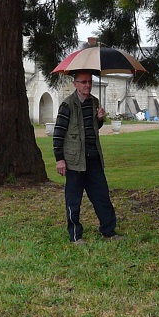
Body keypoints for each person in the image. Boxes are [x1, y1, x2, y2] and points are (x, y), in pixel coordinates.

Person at [53, 70, 121, 243]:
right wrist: (59, 159)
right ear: (75, 84)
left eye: (89, 81)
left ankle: (109, 231)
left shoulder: (94, 102)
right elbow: (58, 134)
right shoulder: (67, 105)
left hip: (93, 158)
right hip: (75, 161)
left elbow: (90, 129)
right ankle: (75, 235)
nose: (87, 85)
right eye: (83, 82)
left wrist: (99, 119)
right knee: (73, 200)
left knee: (102, 196)